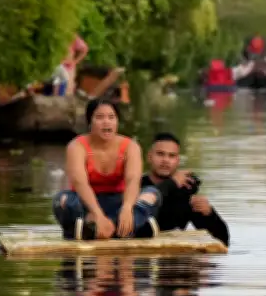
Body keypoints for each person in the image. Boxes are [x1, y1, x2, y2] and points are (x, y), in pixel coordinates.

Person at [52, 99, 176, 240]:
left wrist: (127, 208)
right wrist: (97, 214)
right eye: (100, 117)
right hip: (86, 205)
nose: (106, 122)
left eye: (111, 117)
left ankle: (104, 228)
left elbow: (133, 181)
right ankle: (128, 229)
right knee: (62, 200)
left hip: (119, 203)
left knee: (152, 194)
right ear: (89, 122)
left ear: (117, 121)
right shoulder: (76, 146)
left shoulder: (131, 147)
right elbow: (80, 183)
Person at [141, 133, 230, 246]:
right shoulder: (134, 185)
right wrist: (172, 183)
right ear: (149, 157)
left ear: (177, 161)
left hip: (174, 258)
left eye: (171, 156)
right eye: (160, 154)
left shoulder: (184, 191)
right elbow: (141, 210)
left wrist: (209, 214)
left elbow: (223, 240)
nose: (165, 160)